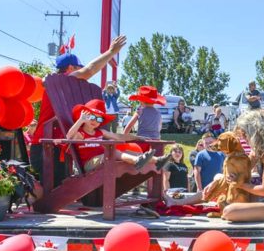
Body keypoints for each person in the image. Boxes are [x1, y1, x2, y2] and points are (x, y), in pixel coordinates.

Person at [29, 35, 127, 184]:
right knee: (49, 189)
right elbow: (89, 70)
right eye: (78, 68)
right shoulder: (62, 81)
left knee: (59, 186)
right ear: (70, 69)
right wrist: (111, 52)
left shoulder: (66, 87)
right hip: (46, 146)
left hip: (59, 145)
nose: (81, 73)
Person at [166, 111, 264, 222]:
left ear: (253, 132)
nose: (244, 138)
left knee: (229, 212)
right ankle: (178, 202)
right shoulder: (259, 150)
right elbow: (243, 170)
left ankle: (179, 202)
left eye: (245, 134)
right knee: (220, 180)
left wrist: (239, 184)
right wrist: (221, 180)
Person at [64, 99, 170, 172]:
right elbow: (68, 137)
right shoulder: (80, 134)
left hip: (104, 159)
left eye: (99, 119)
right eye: (92, 117)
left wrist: (136, 137)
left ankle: (158, 161)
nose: (95, 121)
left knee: (128, 152)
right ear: (85, 117)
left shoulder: (100, 132)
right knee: (113, 153)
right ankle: (137, 161)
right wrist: (79, 121)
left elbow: (119, 137)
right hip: (90, 164)